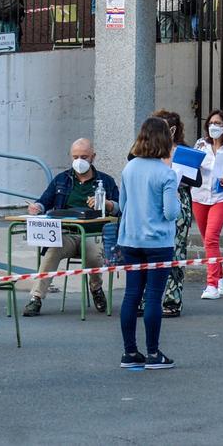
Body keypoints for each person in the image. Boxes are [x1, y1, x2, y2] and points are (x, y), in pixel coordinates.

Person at [22, 138, 118, 317]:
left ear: (93, 157)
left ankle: (96, 288)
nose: (79, 161)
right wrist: (37, 207)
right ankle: (36, 297)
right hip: (66, 234)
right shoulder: (62, 180)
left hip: (92, 233)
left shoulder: (106, 181)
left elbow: (120, 208)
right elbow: (44, 201)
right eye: (75, 157)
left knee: (94, 255)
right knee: (51, 252)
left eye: (84, 156)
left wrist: (108, 204)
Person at [118, 117, 181, 370]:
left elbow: (122, 206)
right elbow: (170, 212)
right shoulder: (166, 173)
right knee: (154, 296)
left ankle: (129, 351)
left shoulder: (128, 168)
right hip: (157, 242)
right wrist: (175, 194)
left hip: (130, 240)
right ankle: (153, 353)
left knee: (131, 295)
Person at [191, 109, 223, 300]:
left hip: (221, 197)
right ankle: (220, 276)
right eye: (211, 123)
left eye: (218, 124)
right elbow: (191, 166)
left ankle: (212, 284)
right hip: (199, 196)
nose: (214, 126)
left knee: (212, 238)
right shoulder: (200, 144)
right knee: (207, 240)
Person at [153, 110, 200, 317]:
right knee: (151, 250)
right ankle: (148, 299)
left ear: (173, 129)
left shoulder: (183, 151)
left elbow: (197, 180)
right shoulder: (150, 150)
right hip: (154, 202)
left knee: (176, 250)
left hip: (179, 201)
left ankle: (173, 300)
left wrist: (180, 175)